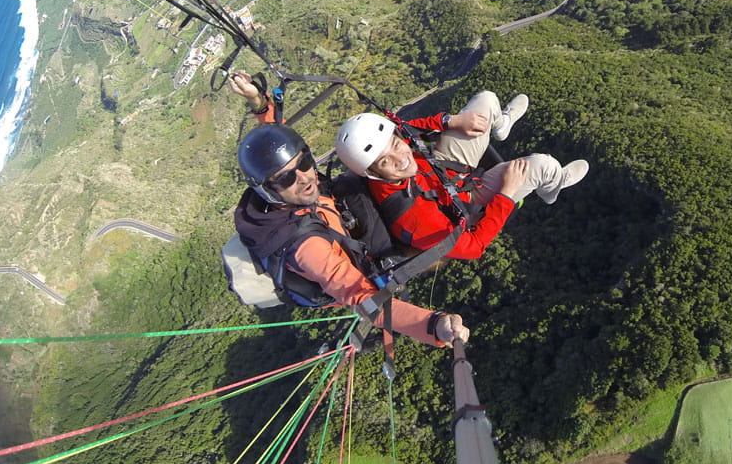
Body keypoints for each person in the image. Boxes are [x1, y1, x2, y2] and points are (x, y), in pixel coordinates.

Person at [233, 116, 469, 348]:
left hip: (345, 226)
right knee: (440, 250)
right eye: (286, 178)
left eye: (304, 163)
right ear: (267, 191)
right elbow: (361, 297)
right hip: (360, 266)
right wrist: (433, 325)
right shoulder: (307, 248)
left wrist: (261, 105)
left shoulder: (297, 190)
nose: (304, 178)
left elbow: (272, 142)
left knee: (359, 178)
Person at [334, 90, 589, 260]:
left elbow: (409, 129)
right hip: (464, 201)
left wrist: (451, 121)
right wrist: (506, 195)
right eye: (385, 161)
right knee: (542, 165)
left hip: (444, 168)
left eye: (396, 145)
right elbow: (473, 247)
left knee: (487, 100)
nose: (401, 159)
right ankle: (553, 186)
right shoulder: (414, 219)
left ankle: (501, 125)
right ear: (373, 173)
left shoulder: (391, 147)